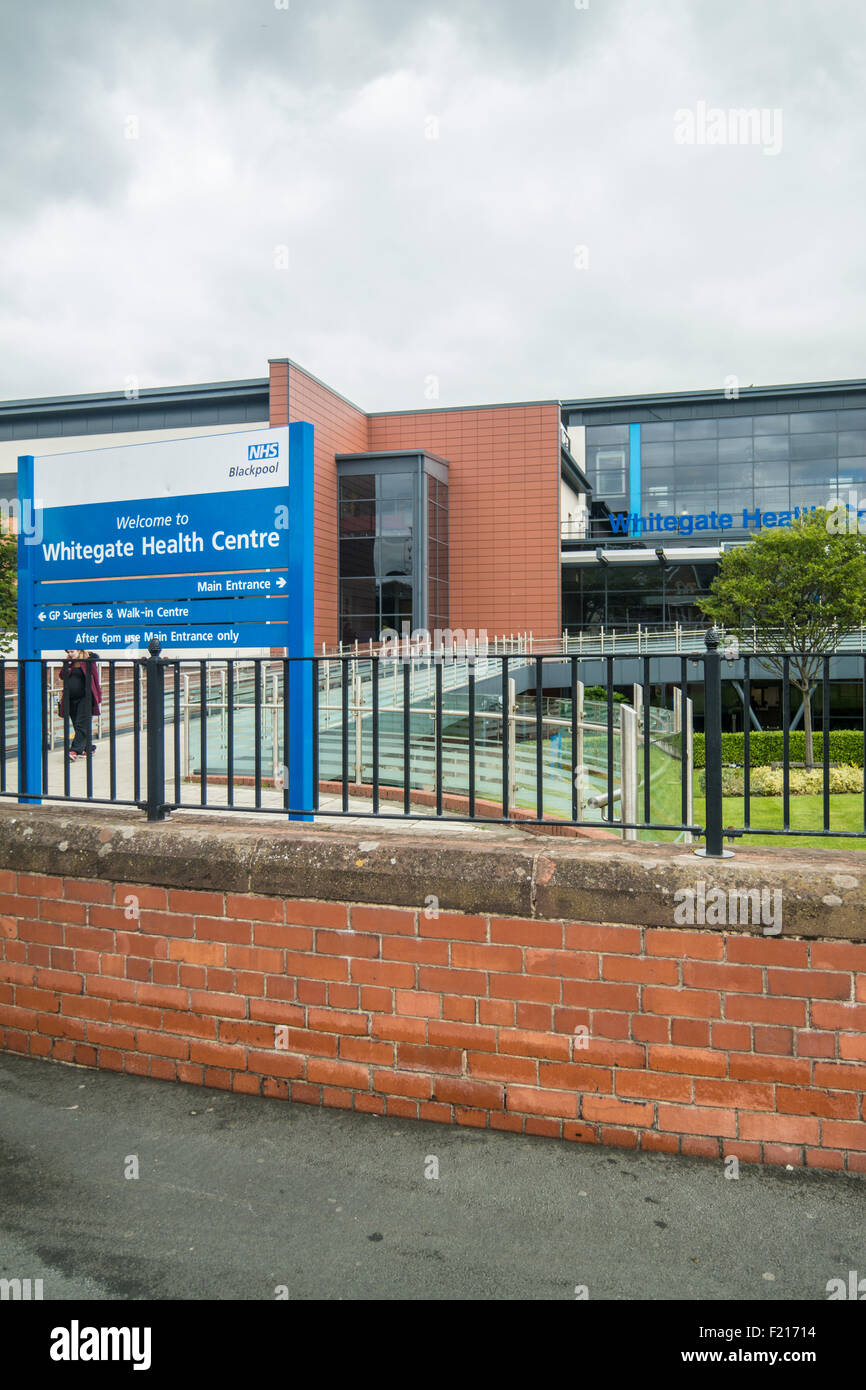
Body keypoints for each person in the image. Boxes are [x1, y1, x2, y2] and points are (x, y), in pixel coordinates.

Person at [58, 650, 102, 760]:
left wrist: (98, 696)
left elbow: (95, 679)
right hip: (71, 698)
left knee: (81, 724)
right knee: (77, 725)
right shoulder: (69, 662)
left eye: (72, 651)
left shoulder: (88, 662)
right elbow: (62, 676)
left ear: (79, 650)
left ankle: (74, 751)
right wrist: (66, 665)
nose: (70, 654)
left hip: (85, 698)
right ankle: (88, 748)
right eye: (68, 652)